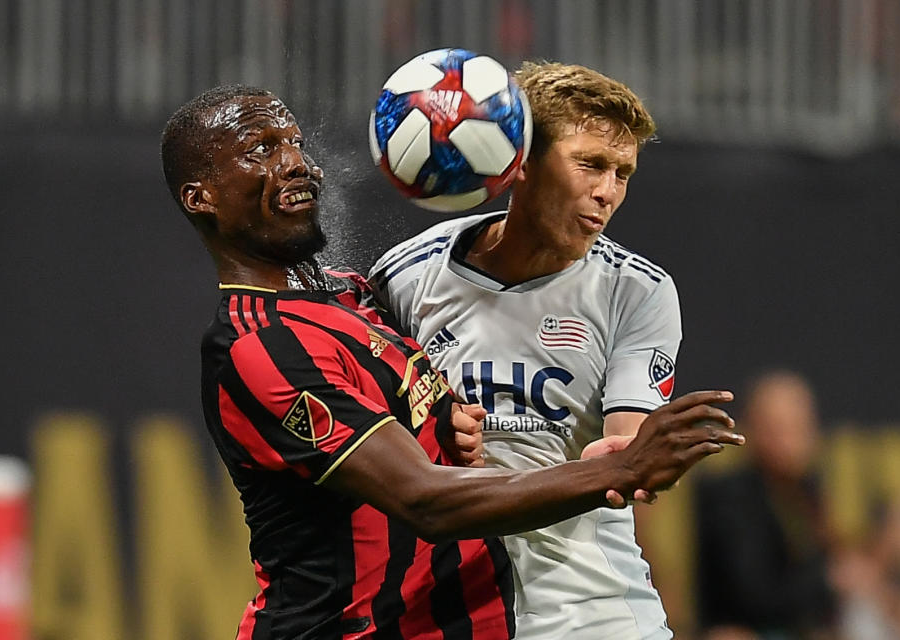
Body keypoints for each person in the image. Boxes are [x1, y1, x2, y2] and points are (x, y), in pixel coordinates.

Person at [160, 84, 744, 640]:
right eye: (262, 149)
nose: (296, 162)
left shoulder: (353, 295)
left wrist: (447, 420)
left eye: (294, 143)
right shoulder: (260, 347)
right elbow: (423, 500)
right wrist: (619, 470)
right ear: (201, 197)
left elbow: (420, 415)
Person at [369, 61, 688, 639]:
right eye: (590, 163)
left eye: (623, 173)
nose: (608, 192)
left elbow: (626, 448)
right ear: (516, 163)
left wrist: (633, 455)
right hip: (447, 615)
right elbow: (384, 446)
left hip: (591, 614)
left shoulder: (636, 291)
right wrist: (438, 430)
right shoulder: (405, 277)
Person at [694, 371, 836, 639]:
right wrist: (828, 578)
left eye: (800, 427)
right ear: (754, 429)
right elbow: (754, 598)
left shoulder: (807, 491)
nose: (791, 441)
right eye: (779, 428)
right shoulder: (729, 496)